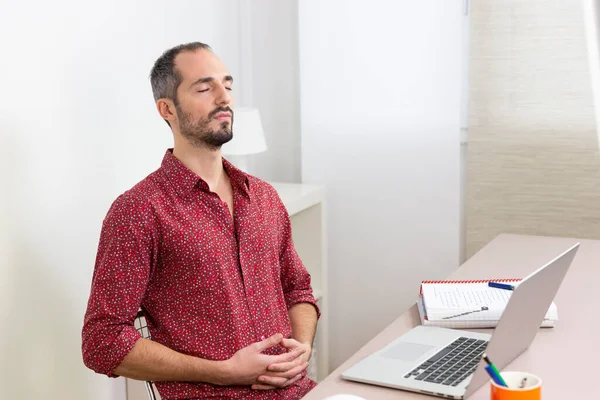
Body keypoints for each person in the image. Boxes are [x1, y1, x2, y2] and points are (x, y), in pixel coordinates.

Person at [81, 42, 320, 400]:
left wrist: (301, 346)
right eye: (205, 88)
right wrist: (223, 373)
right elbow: (102, 341)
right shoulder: (138, 211)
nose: (224, 97)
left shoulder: (264, 198)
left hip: (299, 392)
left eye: (228, 85)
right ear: (167, 109)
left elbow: (298, 289)